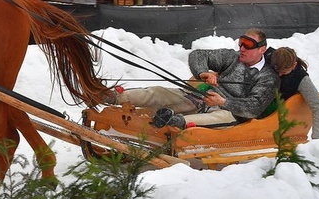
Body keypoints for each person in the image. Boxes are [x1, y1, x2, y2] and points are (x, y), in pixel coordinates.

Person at [108, 29, 278, 129]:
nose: (241, 48)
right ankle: (115, 96)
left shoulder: (267, 77)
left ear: (262, 49)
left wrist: (223, 101)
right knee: (160, 92)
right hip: (199, 98)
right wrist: (204, 73)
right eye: (241, 43)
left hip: (228, 112)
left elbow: (253, 107)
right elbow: (198, 55)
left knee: (220, 117)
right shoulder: (231, 57)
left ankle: (173, 122)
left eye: (248, 45)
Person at [267, 47, 319, 139]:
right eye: (277, 71)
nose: (280, 75)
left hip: (276, 109)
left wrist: (316, 139)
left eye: (284, 72)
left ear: (294, 65)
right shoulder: (267, 56)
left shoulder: (301, 79)